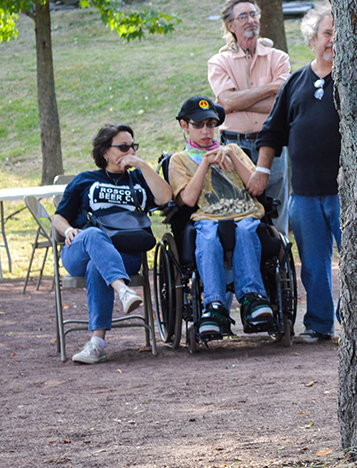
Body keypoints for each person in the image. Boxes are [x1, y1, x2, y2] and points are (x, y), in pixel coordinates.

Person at [252, 7, 341, 344]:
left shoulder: (354, 79)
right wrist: (261, 171)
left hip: (345, 193)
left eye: (339, 32)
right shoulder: (296, 82)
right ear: (312, 40)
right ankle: (319, 325)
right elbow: (272, 132)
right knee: (314, 266)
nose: (334, 40)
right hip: (304, 193)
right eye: (328, 33)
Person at [52, 124, 173, 364]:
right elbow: (58, 216)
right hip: (80, 249)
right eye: (123, 147)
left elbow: (165, 197)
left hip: (124, 256)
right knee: (95, 235)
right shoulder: (85, 180)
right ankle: (124, 291)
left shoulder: (139, 178)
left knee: (98, 267)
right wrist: (69, 230)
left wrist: (140, 165)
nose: (129, 152)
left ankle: (97, 344)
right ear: (105, 152)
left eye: (133, 147)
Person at [167, 96, 276, 340]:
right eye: (199, 125)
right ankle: (214, 305)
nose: (206, 131)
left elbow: (254, 186)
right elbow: (189, 199)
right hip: (207, 216)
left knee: (246, 229)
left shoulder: (234, 150)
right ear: (185, 126)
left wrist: (232, 156)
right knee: (207, 238)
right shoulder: (179, 160)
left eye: (211, 125)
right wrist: (205, 162)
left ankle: (252, 297)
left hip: (245, 212)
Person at [207, 0, 292, 235]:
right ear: (230, 25)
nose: (251, 20)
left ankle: (281, 265)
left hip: (274, 145)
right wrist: (273, 88)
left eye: (253, 14)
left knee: (276, 210)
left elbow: (281, 104)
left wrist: (236, 102)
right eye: (243, 16)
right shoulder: (218, 62)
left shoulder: (279, 58)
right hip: (235, 146)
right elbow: (226, 101)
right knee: (239, 213)